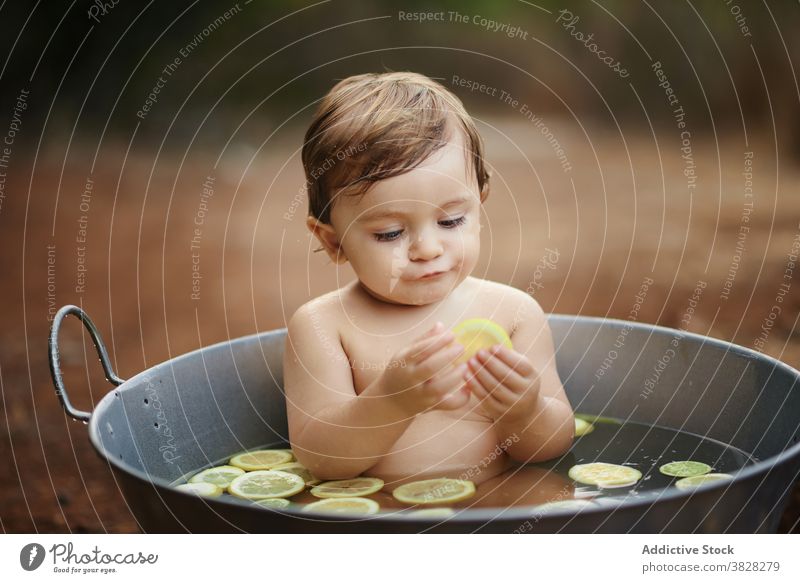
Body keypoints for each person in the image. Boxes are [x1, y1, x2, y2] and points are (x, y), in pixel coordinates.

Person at [283, 71, 574, 489]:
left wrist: (525, 413)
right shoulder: (323, 326)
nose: (427, 248)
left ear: (480, 206)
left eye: (451, 220)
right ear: (333, 241)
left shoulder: (512, 314)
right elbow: (320, 460)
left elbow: (551, 446)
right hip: (375, 516)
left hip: (493, 507)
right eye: (389, 233)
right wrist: (390, 403)